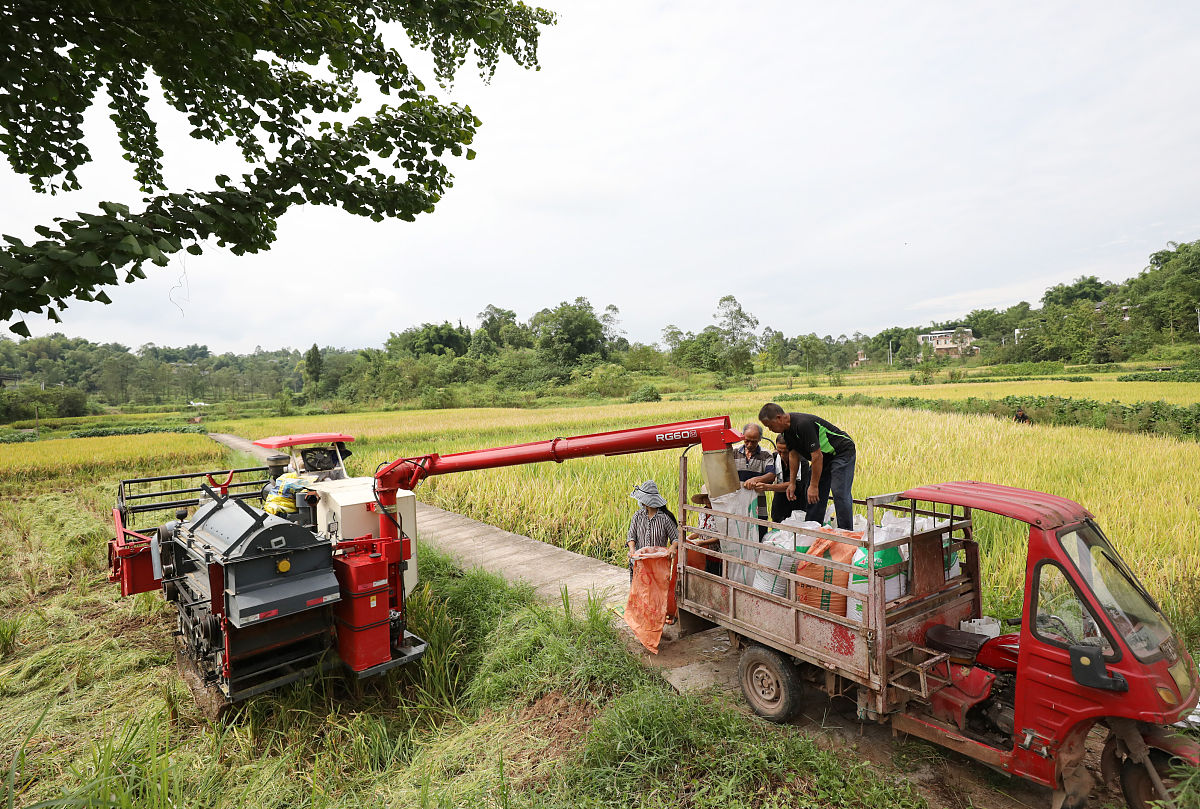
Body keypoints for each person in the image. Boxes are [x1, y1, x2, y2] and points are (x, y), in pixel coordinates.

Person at [758, 403, 856, 530]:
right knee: (813, 492)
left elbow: (816, 456)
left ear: (778, 418)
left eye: (770, 426)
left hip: (841, 451)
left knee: (839, 490)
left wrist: (814, 486)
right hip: (824, 456)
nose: (770, 430)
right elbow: (793, 455)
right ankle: (812, 529)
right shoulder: (787, 433)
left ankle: (846, 533)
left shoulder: (802, 424)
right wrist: (792, 483)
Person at [626, 480, 679, 581]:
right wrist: (632, 549)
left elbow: (676, 538)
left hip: (658, 565)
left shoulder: (665, 518)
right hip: (639, 563)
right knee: (639, 594)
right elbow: (631, 536)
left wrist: (672, 548)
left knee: (656, 595)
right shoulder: (638, 516)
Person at [754, 435, 811, 524]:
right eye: (779, 451)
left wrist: (768, 487)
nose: (783, 455)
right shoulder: (774, 457)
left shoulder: (802, 462)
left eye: (786, 452)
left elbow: (796, 485)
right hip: (779, 505)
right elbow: (768, 475)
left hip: (798, 505)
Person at [734, 423, 775, 539]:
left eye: (754, 441)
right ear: (742, 437)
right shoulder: (733, 452)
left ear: (760, 439)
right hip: (737, 502)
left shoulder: (766, 454)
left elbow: (771, 475)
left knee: (759, 532)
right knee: (738, 532)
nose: (750, 444)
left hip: (758, 502)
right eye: (747, 441)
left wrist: (756, 479)